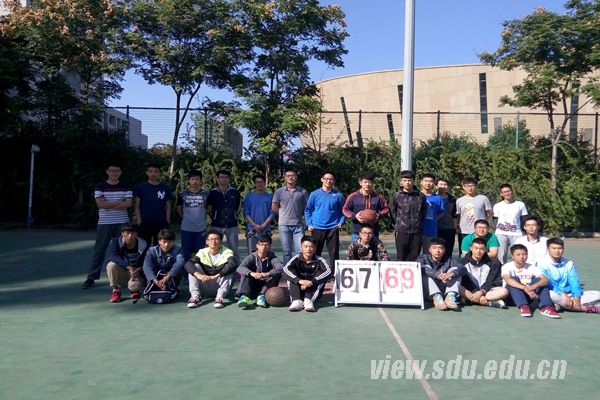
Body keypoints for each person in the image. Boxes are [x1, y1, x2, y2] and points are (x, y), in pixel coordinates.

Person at [82, 164, 133, 289]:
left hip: (122, 223)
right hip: (104, 223)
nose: (114, 173)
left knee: (123, 251)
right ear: (107, 172)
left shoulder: (126, 186)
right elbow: (101, 205)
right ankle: (91, 278)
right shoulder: (100, 186)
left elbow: (128, 204)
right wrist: (119, 202)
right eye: (111, 170)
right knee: (99, 250)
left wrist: (108, 204)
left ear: (120, 172)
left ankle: (122, 278)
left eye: (117, 170)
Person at [535, 238, 600, 314]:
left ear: (563, 249)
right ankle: (586, 308)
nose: (557, 251)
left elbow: (574, 282)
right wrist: (562, 294)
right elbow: (548, 282)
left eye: (560, 248)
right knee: (550, 294)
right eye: (554, 248)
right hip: (556, 294)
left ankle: (561, 306)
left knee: (597, 294)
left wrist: (576, 297)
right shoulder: (542, 263)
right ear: (547, 249)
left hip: (570, 294)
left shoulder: (569, 263)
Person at [501, 244, 560, 318]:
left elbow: (545, 280)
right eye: (518, 255)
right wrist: (525, 288)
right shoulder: (507, 266)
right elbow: (508, 280)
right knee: (513, 279)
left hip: (529, 296)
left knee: (539, 280)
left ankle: (546, 308)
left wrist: (532, 287)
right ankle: (524, 306)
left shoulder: (531, 267)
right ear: (512, 256)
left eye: (524, 254)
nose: (521, 257)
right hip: (511, 297)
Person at [184, 229, 237, 309]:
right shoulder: (202, 252)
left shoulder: (227, 251)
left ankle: (219, 298)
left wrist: (217, 275)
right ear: (207, 241)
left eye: (216, 239)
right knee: (194, 267)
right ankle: (195, 296)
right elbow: (188, 264)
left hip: (219, 285)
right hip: (204, 286)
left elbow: (233, 264)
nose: (214, 241)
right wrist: (198, 275)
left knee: (230, 270)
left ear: (221, 241)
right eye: (211, 239)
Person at [305, 171, 345, 269]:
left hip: (333, 227)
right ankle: (315, 272)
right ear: (322, 180)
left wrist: (341, 222)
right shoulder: (314, 194)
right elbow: (308, 210)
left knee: (334, 253)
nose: (328, 181)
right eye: (326, 179)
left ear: (334, 181)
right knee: (315, 252)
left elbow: (343, 210)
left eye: (331, 179)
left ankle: (333, 274)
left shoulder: (338, 195)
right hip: (317, 227)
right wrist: (309, 223)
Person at [283, 235, 331, 312]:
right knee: (291, 274)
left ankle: (308, 301)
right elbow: (285, 270)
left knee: (321, 274)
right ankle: (296, 301)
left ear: (315, 248)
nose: (308, 249)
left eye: (311, 247)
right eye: (306, 246)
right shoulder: (296, 258)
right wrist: (299, 281)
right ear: (301, 248)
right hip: (298, 287)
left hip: (312, 289)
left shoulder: (319, 260)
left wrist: (312, 282)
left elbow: (328, 272)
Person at [417, 237, 467, 311]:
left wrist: (451, 274)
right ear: (430, 250)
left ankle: (450, 297)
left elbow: (463, 268)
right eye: (434, 248)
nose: (437, 250)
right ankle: (437, 298)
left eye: (440, 248)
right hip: (428, 292)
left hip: (444, 290)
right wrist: (437, 275)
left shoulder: (449, 260)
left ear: (444, 250)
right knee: (424, 269)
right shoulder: (423, 258)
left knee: (455, 271)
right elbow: (420, 267)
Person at [272, 168, 309, 264]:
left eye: (293, 176)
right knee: (286, 251)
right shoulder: (279, 191)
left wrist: (300, 215)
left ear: (296, 177)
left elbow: (306, 208)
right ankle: (287, 271)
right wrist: (283, 214)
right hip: (283, 225)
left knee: (300, 251)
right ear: (285, 177)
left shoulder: (303, 191)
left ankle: (300, 269)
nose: (291, 177)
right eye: (288, 176)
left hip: (298, 225)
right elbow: (274, 207)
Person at [459, 238, 508, 308]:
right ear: (471, 248)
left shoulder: (494, 263)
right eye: (476, 248)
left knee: (504, 291)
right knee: (457, 286)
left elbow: (492, 281)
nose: (478, 251)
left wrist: (482, 292)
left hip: (487, 292)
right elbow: (465, 281)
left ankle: (470, 300)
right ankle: (487, 302)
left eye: (482, 249)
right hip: (470, 291)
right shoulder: (462, 262)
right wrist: (476, 292)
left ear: (486, 249)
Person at [236, 236, 284, 309]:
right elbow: (240, 267)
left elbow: (280, 267)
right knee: (245, 273)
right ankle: (244, 297)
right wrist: (251, 273)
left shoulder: (272, 257)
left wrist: (268, 273)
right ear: (257, 246)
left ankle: (261, 296)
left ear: (270, 246)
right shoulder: (252, 256)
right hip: (252, 286)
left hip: (266, 286)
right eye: (261, 244)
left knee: (275, 275)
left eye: (266, 245)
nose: (263, 247)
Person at [390, 170, 427, 261]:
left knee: (414, 257)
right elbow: (393, 212)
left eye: (409, 180)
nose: (407, 182)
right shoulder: (396, 196)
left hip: (416, 231)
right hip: (401, 231)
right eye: (405, 180)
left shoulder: (421, 196)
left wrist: (417, 223)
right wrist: (399, 224)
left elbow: (424, 212)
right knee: (401, 257)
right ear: (401, 182)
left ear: (414, 181)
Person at [342, 171, 389, 242]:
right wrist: (355, 216)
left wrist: (379, 215)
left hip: (373, 232)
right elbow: (345, 209)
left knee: (374, 249)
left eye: (370, 182)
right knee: (357, 249)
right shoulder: (353, 196)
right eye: (365, 182)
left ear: (372, 183)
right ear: (360, 182)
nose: (367, 184)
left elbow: (386, 209)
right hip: (357, 232)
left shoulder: (378, 197)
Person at [106, 224, 148, 302]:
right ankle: (116, 290)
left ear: (137, 234)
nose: (130, 236)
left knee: (134, 286)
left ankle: (135, 290)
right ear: (122, 233)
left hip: (138, 274)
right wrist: (128, 266)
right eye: (127, 233)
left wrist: (139, 270)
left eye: (133, 233)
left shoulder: (144, 244)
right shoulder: (116, 242)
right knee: (111, 265)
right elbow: (113, 256)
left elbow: (148, 261)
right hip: (123, 272)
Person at [134, 163, 173, 246]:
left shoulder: (165, 187)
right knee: (143, 246)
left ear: (159, 173)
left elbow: (168, 206)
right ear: (147, 173)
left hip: (161, 221)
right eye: (150, 171)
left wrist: (167, 220)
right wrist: (139, 220)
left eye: (156, 171)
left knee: (160, 246)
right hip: (145, 221)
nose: (153, 174)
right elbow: (137, 206)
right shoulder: (140, 187)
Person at [206, 169, 241, 255]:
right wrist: (214, 217)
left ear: (229, 179)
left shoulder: (235, 192)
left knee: (234, 250)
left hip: (232, 225)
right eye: (221, 177)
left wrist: (234, 216)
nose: (224, 179)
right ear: (217, 179)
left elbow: (238, 207)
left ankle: (234, 263)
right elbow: (209, 209)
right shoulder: (212, 193)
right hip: (217, 225)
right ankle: (216, 263)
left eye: (226, 177)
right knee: (214, 248)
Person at [176, 169, 208, 261]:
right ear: (189, 181)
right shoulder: (182, 194)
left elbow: (209, 208)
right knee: (186, 253)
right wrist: (184, 217)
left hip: (200, 228)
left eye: (197, 179)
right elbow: (179, 208)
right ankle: (186, 270)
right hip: (186, 228)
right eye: (192, 179)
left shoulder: (206, 194)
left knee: (200, 254)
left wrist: (200, 216)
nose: (195, 181)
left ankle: (199, 270)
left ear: (201, 181)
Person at [142, 228, 185, 295]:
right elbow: (146, 266)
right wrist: (155, 280)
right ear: (159, 241)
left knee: (181, 267)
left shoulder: (178, 250)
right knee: (146, 269)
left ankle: (173, 285)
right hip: (155, 276)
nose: (166, 244)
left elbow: (180, 262)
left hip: (170, 276)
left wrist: (167, 277)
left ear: (173, 242)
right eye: (164, 242)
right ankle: (152, 285)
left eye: (169, 242)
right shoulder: (151, 251)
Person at [493, 183, 528, 263]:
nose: (507, 193)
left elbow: (524, 219)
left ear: (512, 191)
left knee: (518, 254)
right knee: (501, 256)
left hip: (517, 233)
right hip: (501, 234)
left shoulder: (520, 204)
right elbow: (495, 220)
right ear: (501, 194)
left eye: (508, 191)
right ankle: (501, 270)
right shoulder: (497, 206)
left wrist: (524, 231)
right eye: (504, 192)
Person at [455, 177, 492, 251]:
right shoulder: (459, 200)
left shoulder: (483, 198)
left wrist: (484, 224)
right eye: (468, 186)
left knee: (480, 251)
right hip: (464, 231)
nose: (470, 188)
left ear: (476, 186)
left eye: (472, 186)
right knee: (464, 252)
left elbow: (489, 213)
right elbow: (458, 216)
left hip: (480, 231)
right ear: (463, 187)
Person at [243, 174, 275, 253]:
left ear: (264, 183)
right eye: (257, 182)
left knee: (265, 253)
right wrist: (254, 225)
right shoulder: (249, 196)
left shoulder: (269, 197)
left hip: (266, 229)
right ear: (254, 184)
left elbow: (272, 212)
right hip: (252, 229)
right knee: (252, 252)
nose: (260, 184)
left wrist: (264, 225)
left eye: (261, 182)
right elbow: (246, 212)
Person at [420, 173, 444, 252]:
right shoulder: (416, 196)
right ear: (421, 182)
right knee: (414, 255)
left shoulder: (438, 198)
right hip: (416, 230)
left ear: (434, 183)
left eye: (430, 181)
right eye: (426, 181)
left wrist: (433, 219)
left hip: (431, 230)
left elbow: (441, 213)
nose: (428, 183)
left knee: (428, 254)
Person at [435, 178, 457, 258]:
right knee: (436, 251)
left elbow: (454, 215)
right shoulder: (433, 198)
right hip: (435, 229)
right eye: (441, 184)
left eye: (445, 185)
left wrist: (454, 228)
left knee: (448, 251)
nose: (443, 186)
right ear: (436, 186)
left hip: (449, 229)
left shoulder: (452, 199)